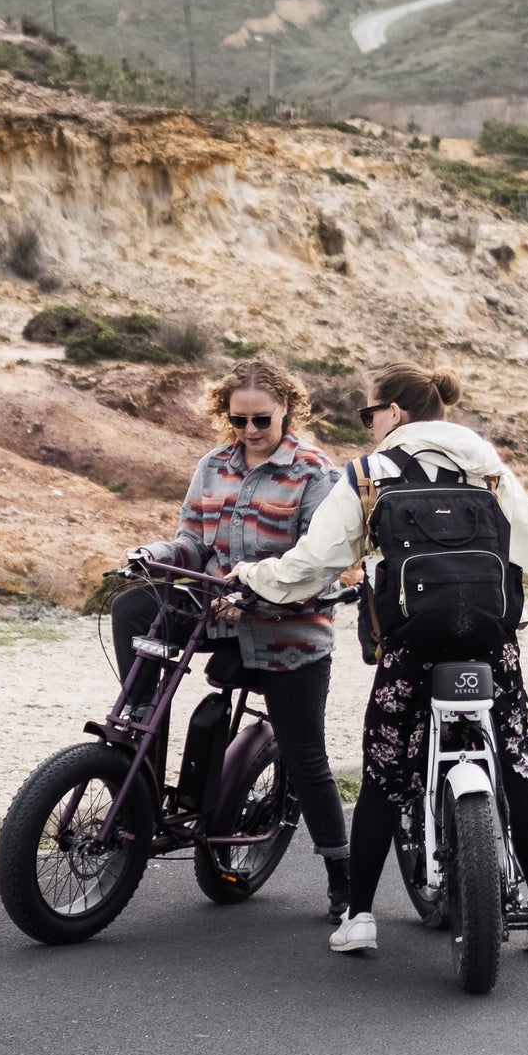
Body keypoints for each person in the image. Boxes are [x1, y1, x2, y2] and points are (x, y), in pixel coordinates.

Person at [232, 362, 528, 954]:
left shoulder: (368, 474)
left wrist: (254, 577)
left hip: (410, 645)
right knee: (514, 758)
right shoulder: (486, 463)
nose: (370, 425)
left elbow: (315, 562)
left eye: (369, 414)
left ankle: (359, 916)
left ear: (395, 414)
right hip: (489, 639)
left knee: (384, 771)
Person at [117, 358, 350, 918]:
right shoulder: (212, 466)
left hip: (287, 630)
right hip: (215, 615)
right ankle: (140, 735)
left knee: (305, 754)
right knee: (131, 609)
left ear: (286, 410)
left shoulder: (316, 474)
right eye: (238, 419)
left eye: (261, 421)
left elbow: (317, 565)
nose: (249, 431)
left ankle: (343, 879)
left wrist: (255, 589)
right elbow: (192, 544)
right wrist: (155, 555)